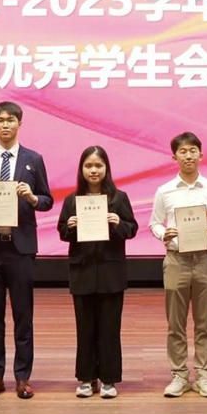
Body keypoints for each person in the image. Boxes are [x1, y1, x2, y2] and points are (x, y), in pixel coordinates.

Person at [0, 101, 53, 400]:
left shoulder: (33, 159)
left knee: (23, 315)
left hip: (21, 248)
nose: (6, 125)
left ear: (20, 123)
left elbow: (47, 200)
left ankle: (22, 377)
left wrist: (32, 198)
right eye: (1, 120)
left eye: (11, 120)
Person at [149, 131, 207, 398]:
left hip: (206, 259)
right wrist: (164, 233)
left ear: (201, 155)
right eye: (182, 151)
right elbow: (154, 223)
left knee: (205, 323)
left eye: (192, 150)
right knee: (176, 324)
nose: (188, 156)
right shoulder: (165, 191)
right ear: (174, 157)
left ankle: (204, 375)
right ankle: (179, 376)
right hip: (176, 261)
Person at [57, 146, 138, 399]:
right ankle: (86, 378)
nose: (94, 170)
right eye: (89, 166)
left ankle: (109, 379)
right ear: (81, 169)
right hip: (82, 271)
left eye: (98, 166)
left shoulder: (119, 198)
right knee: (85, 329)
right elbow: (62, 231)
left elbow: (132, 229)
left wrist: (118, 223)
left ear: (106, 169)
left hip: (111, 273)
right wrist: (70, 226)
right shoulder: (72, 200)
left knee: (109, 329)